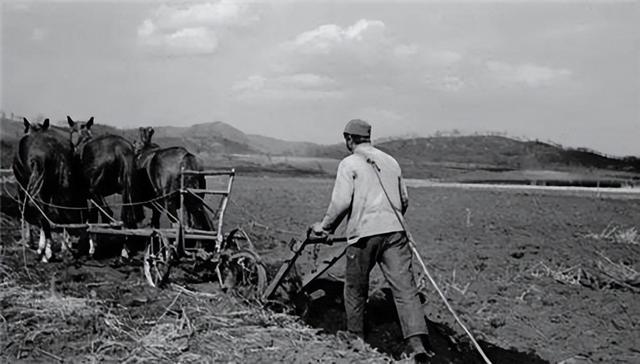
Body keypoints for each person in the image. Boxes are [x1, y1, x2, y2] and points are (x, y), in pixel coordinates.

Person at [309, 119, 432, 363]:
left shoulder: (349, 163)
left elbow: (341, 202)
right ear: (368, 137)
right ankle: (417, 345)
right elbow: (404, 200)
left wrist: (324, 227)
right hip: (396, 232)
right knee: (406, 289)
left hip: (364, 233)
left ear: (349, 139)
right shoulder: (391, 161)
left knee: (355, 287)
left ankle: (356, 339)